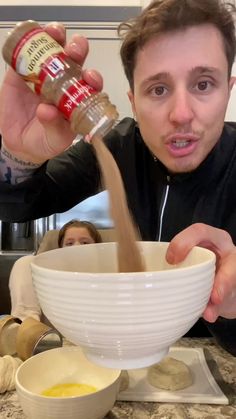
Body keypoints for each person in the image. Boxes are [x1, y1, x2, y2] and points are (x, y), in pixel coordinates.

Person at [0, 0, 236, 355]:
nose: (182, 114)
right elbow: (20, 203)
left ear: (228, 89)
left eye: (204, 84)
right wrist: (19, 154)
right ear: (133, 101)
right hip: (137, 346)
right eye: (158, 89)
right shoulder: (119, 145)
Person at [9, 220, 102, 321]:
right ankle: (26, 325)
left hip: (93, 326)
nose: (77, 247)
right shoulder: (48, 272)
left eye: (85, 242)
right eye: (69, 243)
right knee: (26, 262)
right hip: (44, 330)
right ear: (60, 249)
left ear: (97, 247)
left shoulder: (108, 272)